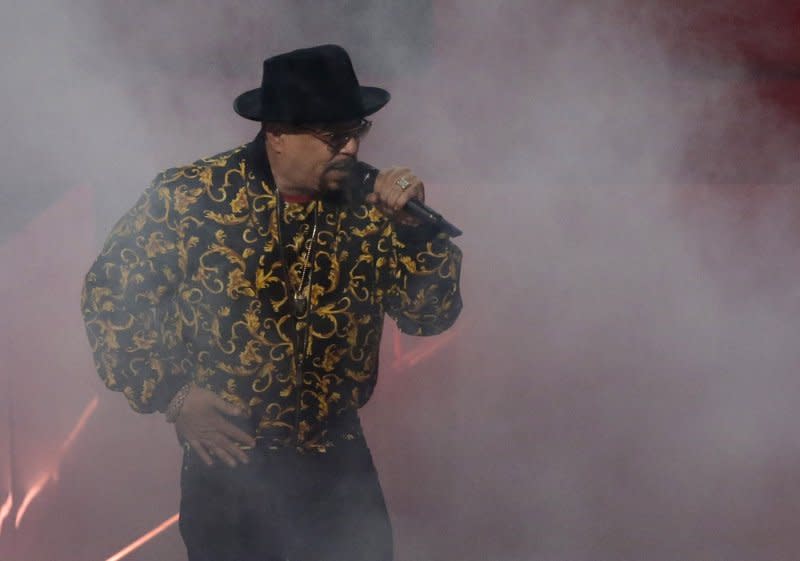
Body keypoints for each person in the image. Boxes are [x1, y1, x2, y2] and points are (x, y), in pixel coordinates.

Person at [80, 44, 463, 561]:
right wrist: (172, 392)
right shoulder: (191, 197)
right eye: (333, 136)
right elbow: (112, 296)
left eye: (357, 131)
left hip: (337, 462)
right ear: (276, 134)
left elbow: (430, 317)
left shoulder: (374, 204)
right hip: (230, 464)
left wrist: (416, 233)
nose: (350, 148)